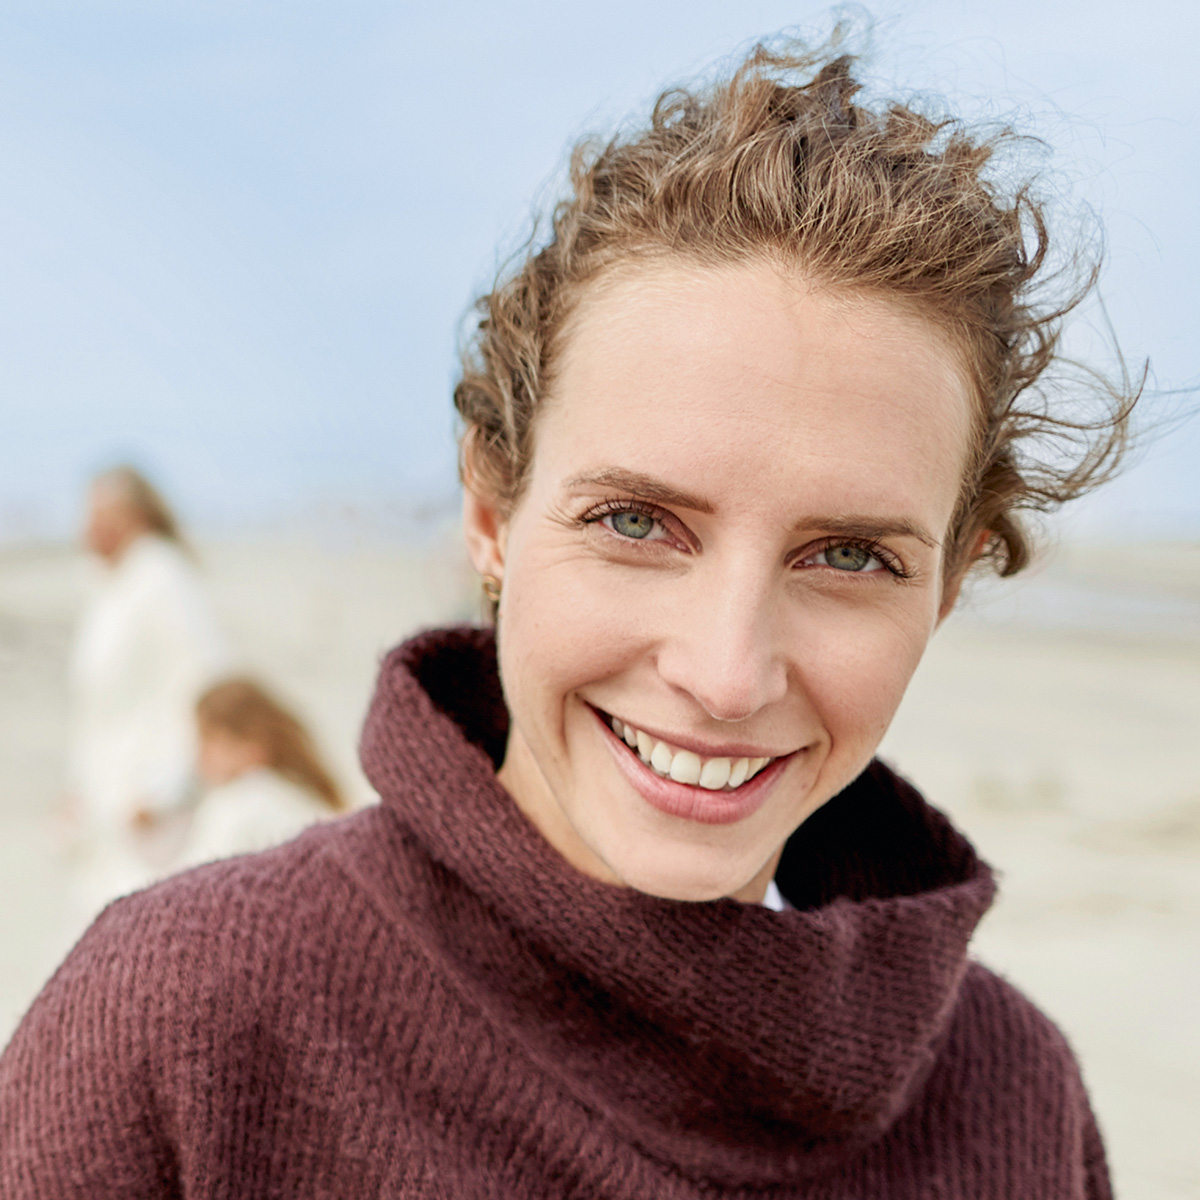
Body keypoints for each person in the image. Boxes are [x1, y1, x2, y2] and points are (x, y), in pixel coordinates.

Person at [1, 37, 1134, 1197]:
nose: (726, 672)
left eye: (849, 555)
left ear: (948, 587)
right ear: (491, 514)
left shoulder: (1014, 1100)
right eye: (639, 523)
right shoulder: (185, 1025)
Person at [63, 465, 230, 915]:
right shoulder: (110, 584)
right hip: (109, 799)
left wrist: (168, 788)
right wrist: (78, 788)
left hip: (149, 799)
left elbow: (205, 678)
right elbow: (97, 708)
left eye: (98, 514)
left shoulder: (162, 578)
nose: (86, 527)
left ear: (132, 517)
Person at [174, 676, 347, 870]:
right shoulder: (300, 796)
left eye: (208, 739)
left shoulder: (240, 804)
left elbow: (189, 879)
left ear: (252, 746)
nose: (199, 754)